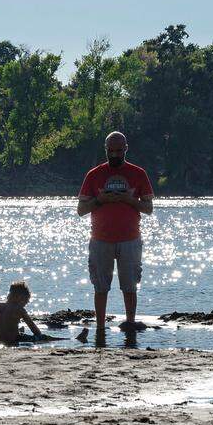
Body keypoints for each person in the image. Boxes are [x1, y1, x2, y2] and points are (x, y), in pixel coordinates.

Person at [76, 131, 154, 333]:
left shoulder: (138, 173)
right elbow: (81, 210)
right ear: (106, 150)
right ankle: (100, 328)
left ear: (126, 149)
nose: (115, 155)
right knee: (100, 287)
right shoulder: (93, 175)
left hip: (130, 239)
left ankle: (130, 324)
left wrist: (129, 200)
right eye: (111, 151)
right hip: (100, 240)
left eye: (119, 151)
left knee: (130, 286)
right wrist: (101, 200)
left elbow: (149, 208)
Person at [0, 281, 54, 346]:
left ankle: (19, 332)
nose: (25, 304)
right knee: (44, 337)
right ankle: (64, 340)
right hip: (12, 341)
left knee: (18, 332)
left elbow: (3, 326)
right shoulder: (19, 309)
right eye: (26, 301)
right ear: (20, 297)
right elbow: (35, 330)